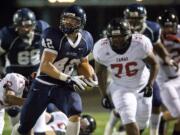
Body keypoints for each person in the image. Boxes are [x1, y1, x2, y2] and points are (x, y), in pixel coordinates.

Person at [11, 5, 97, 135]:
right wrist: (68, 78)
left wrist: (91, 75)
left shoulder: (87, 39)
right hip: (43, 84)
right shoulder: (53, 34)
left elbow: (83, 62)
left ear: (81, 23)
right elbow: (45, 66)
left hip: (63, 86)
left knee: (75, 110)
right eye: (65, 19)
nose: (67, 22)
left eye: (72, 20)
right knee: (25, 127)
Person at [93, 18, 159, 135]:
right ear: (108, 37)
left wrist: (150, 84)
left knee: (143, 124)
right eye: (114, 37)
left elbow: (154, 63)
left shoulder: (140, 44)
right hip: (120, 87)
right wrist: (103, 95)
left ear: (129, 35)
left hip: (142, 85)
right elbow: (99, 72)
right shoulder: (101, 48)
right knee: (128, 117)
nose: (117, 40)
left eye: (121, 36)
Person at [123, 4, 177, 135]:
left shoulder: (152, 29)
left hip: (147, 69)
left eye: (137, 19)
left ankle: (154, 132)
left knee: (156, 101)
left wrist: (168, 59)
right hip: (127, 71)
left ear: (144, 18)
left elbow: (159, 48)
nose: (133, 22)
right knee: (128, 105)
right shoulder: (121, 29)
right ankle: (124, 128)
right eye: (130, 19)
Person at [0, 8, 50, 127]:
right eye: (21, 26)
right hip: (15, 74)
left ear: (33, 24)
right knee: (13, 111)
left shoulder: (42, 29)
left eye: (28, 25)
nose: (25, 29)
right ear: (16, 26)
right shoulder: (8, 35)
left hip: (35, 74)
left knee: (42, 108)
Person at [156, 9, 180, 135]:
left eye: (171, 26)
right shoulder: (156, 36)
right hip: (163, 79)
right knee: (178, 112)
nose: (168, 30)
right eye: (165, 27)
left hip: (178, 76)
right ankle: (162, 119)